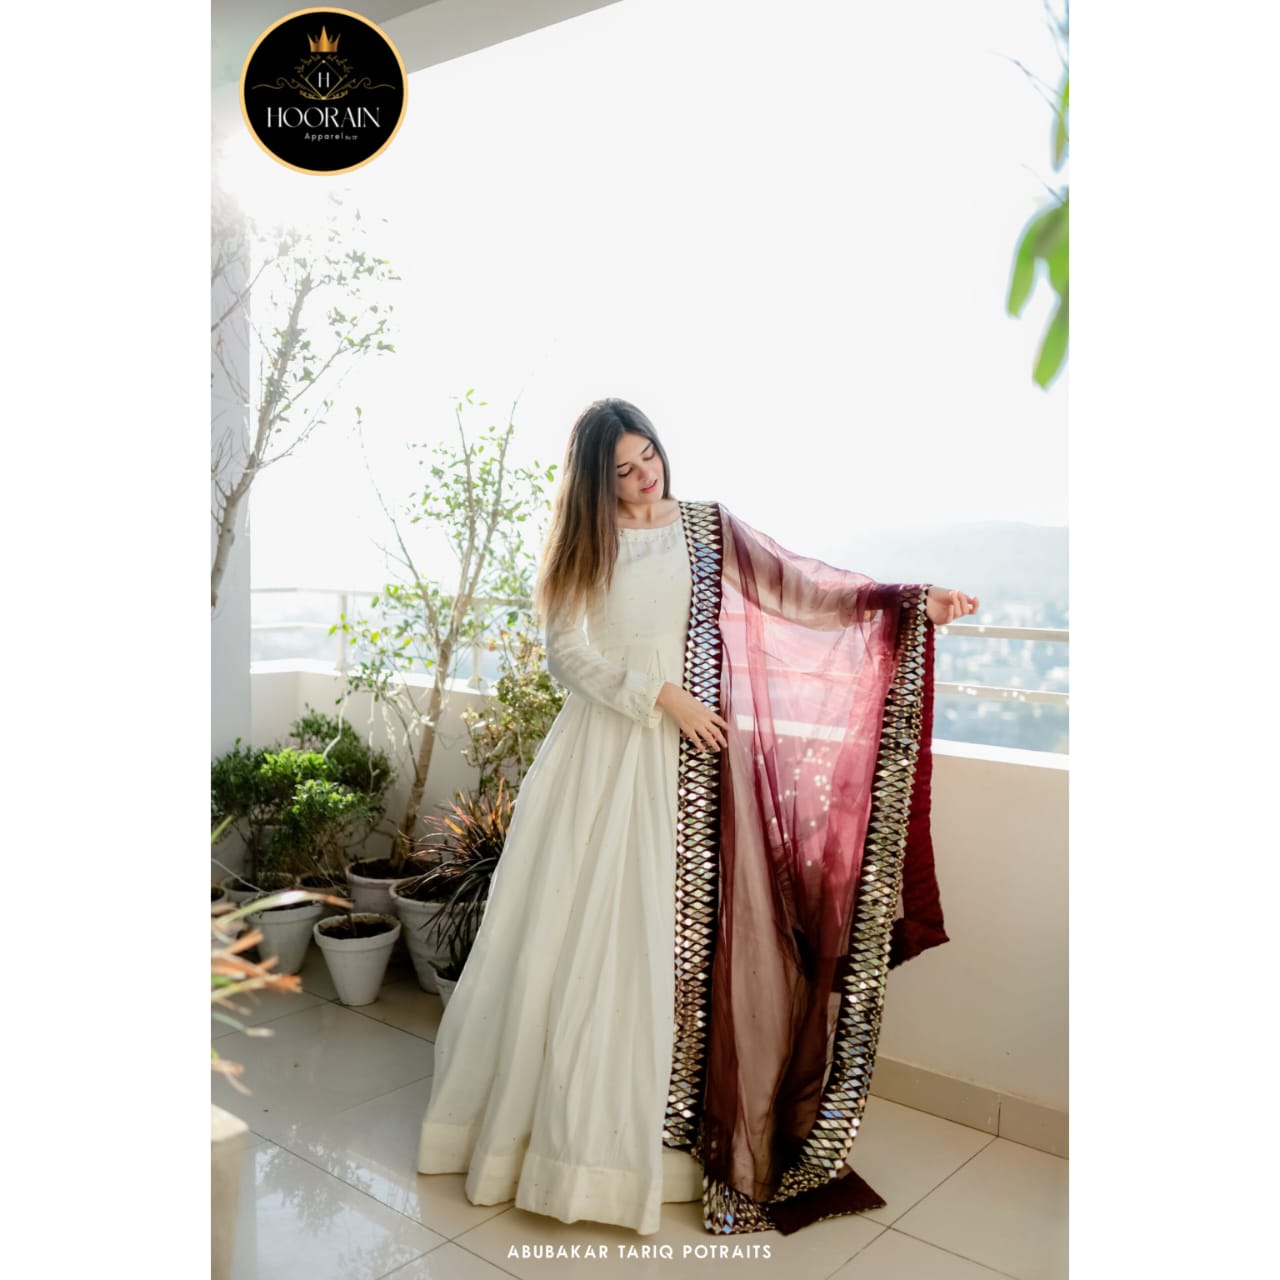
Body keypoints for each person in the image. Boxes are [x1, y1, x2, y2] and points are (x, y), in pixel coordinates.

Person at [417, 398, 977, 1236]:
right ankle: (569, 1147)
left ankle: (672, 1135)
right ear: (594, 481)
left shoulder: (707, 529)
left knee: (682, 944)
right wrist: (662, 697)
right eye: (623, 470)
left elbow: (798, 588)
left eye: (649, 457)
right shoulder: (585, 543)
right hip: (606, 758)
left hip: (697, 762)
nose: (644, 478)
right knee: (595, 938)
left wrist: (906, 601)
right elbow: (567, 654)